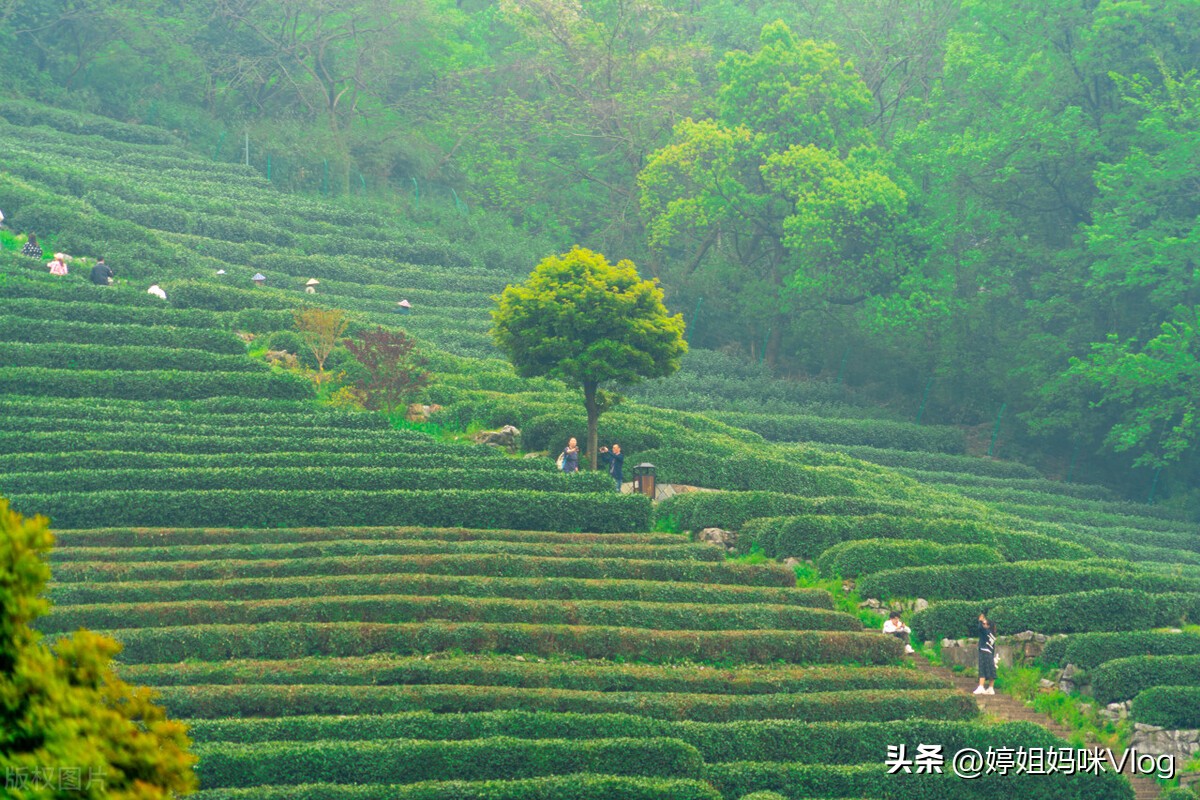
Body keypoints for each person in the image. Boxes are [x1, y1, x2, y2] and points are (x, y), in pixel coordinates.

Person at [974, 612, 997, 695]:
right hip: (990, 653)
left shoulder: (986, 631)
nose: (983, 624)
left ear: (988, 625)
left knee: (982, 669)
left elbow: (979, 628)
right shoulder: (993, 635)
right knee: (991, 670)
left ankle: (981, 686)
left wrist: (980, 620)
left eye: (985, 623)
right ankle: (991, 688)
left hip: (984, 652)